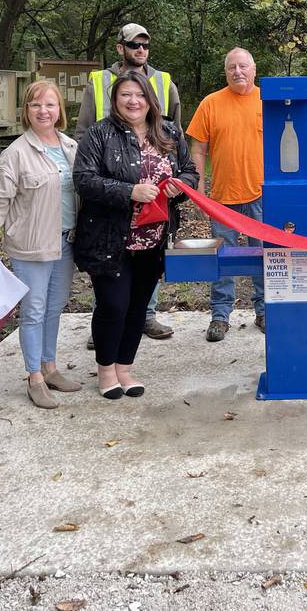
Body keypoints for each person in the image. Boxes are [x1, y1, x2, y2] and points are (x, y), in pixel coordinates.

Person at [73, 71, 198, 399]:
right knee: (113, 305)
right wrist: (129, 191)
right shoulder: (100, 134)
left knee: (138, 307)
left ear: (149, 100)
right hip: (109, 238)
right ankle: (105, 369)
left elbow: (190, 172)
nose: (133, 101)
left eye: (139, 95)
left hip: (154, 239)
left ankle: (125, 369)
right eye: (125, 95)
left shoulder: (168, 131)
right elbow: (83, 179)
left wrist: (179, 187)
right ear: (116, 100)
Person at [0, 80, 80, 409]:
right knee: (33, 311)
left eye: (49, 105)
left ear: (59, 110)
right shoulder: (15, 154)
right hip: (32, 246)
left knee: (55, 306)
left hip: (66, 242)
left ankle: (50, 367)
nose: (43, 111)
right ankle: (34, 377)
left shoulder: (70, 147)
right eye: (35, 105)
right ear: (26, 111)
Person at [75, 23, 180, 343]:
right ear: (120, 47)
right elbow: (82, 133)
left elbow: (176, 137)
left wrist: (174, 179)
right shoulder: (99, 82)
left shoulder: (164, 82)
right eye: (134, 45)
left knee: (149, 251)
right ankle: (105, 317)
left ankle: (146, 316)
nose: (140, 50)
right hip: (109, 194)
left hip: (153, 197)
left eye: (145, 45)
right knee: (109, 256)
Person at [185, 48, 265, 343]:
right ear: (225, 71)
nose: (238, 72)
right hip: (222, 199)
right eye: (232, 67)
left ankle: (264, 310)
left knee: (265, 257)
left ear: (254, 69)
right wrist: (198, 188)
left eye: (243, 66)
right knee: (222, 260)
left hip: (261, 197)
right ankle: (220, 315)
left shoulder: (266, 101)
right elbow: (198, 149)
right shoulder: (211, 103)